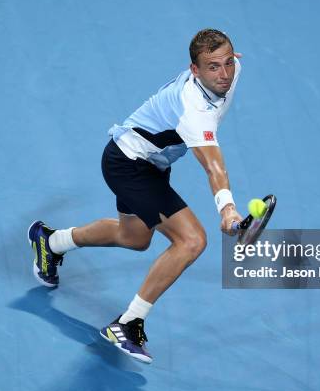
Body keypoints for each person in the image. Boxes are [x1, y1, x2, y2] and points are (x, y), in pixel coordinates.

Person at [28, 28, 243, 364]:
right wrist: (227, 209)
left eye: (229, 62)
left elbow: (228, 70)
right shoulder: (193, 111)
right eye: (213, 67)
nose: (225, 74)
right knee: (192, 241)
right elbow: (214, 167)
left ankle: (50, 242)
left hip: (144, 161)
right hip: (130, 165)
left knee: (134, 237)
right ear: (194, 70)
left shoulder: (231, 71)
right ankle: (128, 323)